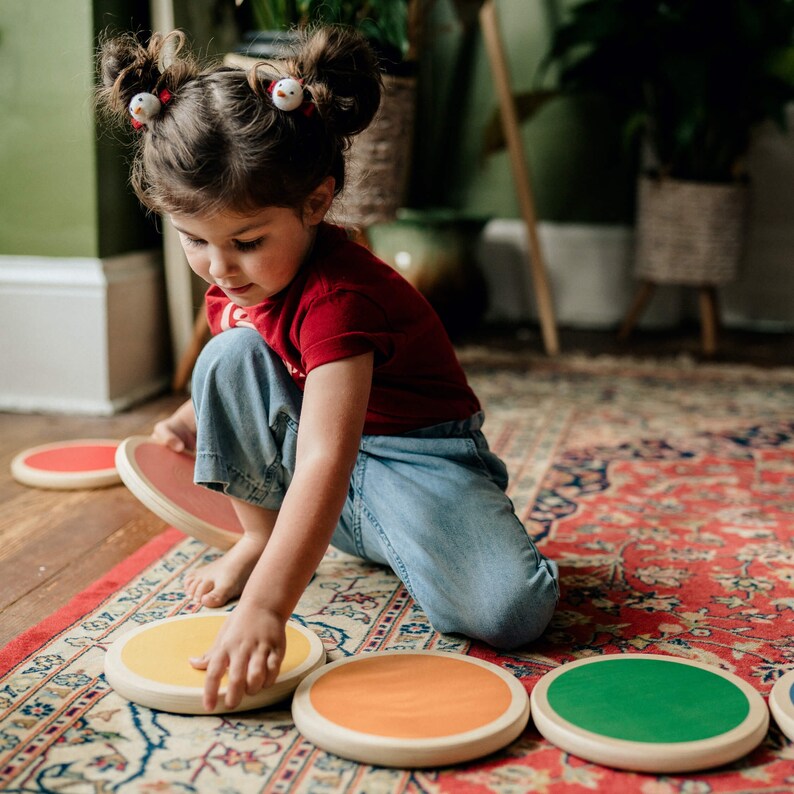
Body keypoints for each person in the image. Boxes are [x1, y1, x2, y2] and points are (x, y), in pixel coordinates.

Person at [97, 26, 559, 712]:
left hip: (416, 456)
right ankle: (263, 538)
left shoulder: (340, 299)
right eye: (196, 240)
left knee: (511, 616)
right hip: (330, 466)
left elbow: (322, 458)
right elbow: (256, 359)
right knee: (227, 353)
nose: (220, 268)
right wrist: (193, 415)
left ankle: (343, 539)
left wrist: (266, 607)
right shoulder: (241, 279)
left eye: (246, 242)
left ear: (316, 203)